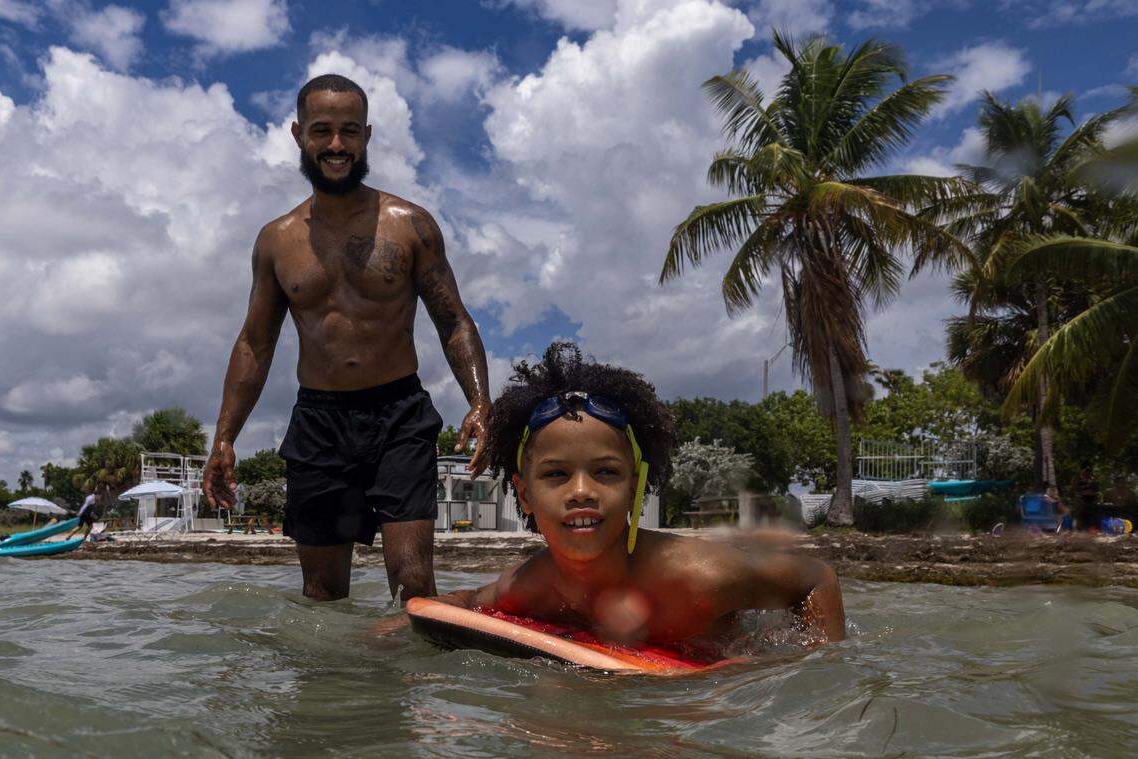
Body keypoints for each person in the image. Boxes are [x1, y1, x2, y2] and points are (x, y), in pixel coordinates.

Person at [203, 74, 491, 604]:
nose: (336, 145)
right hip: (318, 422)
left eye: (349, 132)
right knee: (322, 592)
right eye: (323, 131)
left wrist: (479, 401)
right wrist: (225, 437)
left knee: (413, 583)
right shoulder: (276, 241)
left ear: (367, 136)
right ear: (298, 135)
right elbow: (255, 344)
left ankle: (405, 685)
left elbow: (453, 321)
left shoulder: (411, 225)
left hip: (398, 413)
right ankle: (334, 690)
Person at [419, 343, 845, 650]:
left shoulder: (699, 576)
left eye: (606, 472)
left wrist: (805, 669)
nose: (582, 491)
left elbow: (815, 578)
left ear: (637, 485)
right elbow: (462, 603)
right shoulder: (530, 585)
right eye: (556, 474)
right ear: (524, 494)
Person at [1069, 462, 1100, 530]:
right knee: (1078, 513)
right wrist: (1087, 486)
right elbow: (1074, 489)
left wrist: (1092, 484)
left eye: (1089, 470)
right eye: (1086, 469)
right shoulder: (1077, 478)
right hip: (1080, 501)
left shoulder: (1093, 479)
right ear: (1082, 470)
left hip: (1092, 501)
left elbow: (1096, 490)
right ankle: (1075, 528)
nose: (1087, 472)